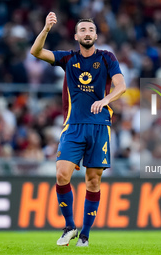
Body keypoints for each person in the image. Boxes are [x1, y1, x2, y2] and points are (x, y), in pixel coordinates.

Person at [30, 12, 126, 247]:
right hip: (73, 126)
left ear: (96, 35)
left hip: (99, 126)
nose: (87, 33)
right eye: (82, 30)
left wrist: (106, 100)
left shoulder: (106, 57)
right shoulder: (68, 59)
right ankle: (69, 225)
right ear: (76, 36)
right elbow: (36, 52)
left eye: (90, 30)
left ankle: (85, 234)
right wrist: (46, 29)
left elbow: (121, 86)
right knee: (62, 174)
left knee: (93, 181)